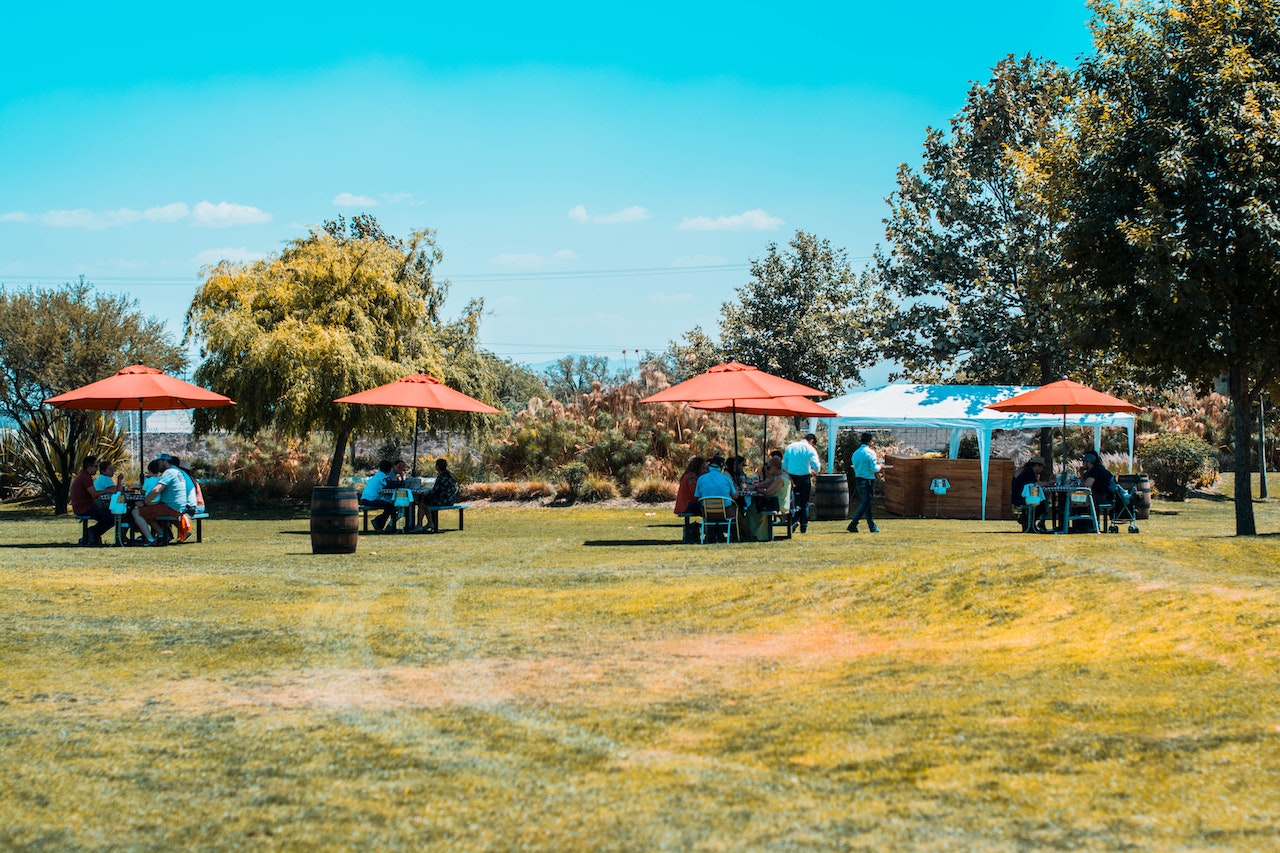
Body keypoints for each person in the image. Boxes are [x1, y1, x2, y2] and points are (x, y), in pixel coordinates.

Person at [132, 456, 190, 546]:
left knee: (136, 512)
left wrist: (144, 502)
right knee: (148, 512)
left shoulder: (169, 472)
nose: (158, 466)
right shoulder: (178, 472)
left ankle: (150, 539)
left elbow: (156, 490)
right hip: (179, 508)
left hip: (170, 508)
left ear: (165, 461)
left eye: (159, 463)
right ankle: (162, 535)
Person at [70, 456, 116, 546]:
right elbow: (94, 494)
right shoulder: (85, 477)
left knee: (110, 514)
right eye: (95, 466)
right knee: (111, 518)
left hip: (87, 506)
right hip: (84, 508)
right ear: (89, 467)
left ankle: (92, 534)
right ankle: (92, 533)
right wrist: (107, 490)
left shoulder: (85, 476)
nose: (97, 469)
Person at [782, 433, 821, 533]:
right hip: (804, 477)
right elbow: (816, 466)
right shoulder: (809, 449)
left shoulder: (790, 447)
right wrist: (814, 470)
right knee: (804, 503)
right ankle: (803, 526)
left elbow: (784, 466)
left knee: (793, 501)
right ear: (811, 440)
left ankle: (794, 520)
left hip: (792, 477)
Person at [744, 457, 790, 542]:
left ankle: (757, 534)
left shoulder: (780, 479)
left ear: (775, 467)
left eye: (768, 468)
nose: (767, 470)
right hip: (774, 502)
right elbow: (767, 483)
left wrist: (756, 489)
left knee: (753, 510)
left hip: (778, 504)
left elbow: (768, 492)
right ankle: (756, 533)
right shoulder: (779, 476)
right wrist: (755, 486)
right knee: (754, 507)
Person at [693, 456, 738, 542]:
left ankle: (711, 535)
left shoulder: (701, 479)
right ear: (721, 467)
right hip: (725, 512)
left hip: (707, 513)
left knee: (707, 511)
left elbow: (697, 497)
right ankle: (742, 535)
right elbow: (735, 496)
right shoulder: (726, 478)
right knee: (737, 512)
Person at [847, 432, 883, 533]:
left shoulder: (856, 453)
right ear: (870, 442)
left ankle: (872, 526)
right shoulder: (870, 453)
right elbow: (874, 468)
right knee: (865, 503)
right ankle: (853, 524)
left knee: (866, 504)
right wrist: (880, 466)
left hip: (858, 478)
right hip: (868, 480)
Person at [413, 458, 459, 533]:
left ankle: (420, 525)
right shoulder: (449, 476)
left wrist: (425, 493)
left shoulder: (441, 477)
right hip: (451, 499)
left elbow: (435, 491)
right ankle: (430, 523)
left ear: (437, 467)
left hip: (443, 500)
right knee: (425, 503)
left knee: (422, 504)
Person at [360, 460, 397, 532]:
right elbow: (389, 484)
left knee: (389, 506)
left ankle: (379, 523)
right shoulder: (381, 476)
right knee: (390, 506)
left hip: (367, 498)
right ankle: (379, 523)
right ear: (389, 469)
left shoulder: (378, 475)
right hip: (370, 499)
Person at [1012, 456, 1047, 531]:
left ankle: (1029, 523)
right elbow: (1036, 484)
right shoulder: (1029, 472)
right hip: (1020, 498)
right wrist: (1049, 483)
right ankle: (1029, 523)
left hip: (1019, 497)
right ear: (1037, 465)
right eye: (1042, 467)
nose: (1042, 469)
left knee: (1041, 503)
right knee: (1041, 504)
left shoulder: (1027, 471)